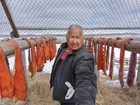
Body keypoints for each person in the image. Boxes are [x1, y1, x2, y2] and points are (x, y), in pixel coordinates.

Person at [50, 24, 97, 105]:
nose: (75, 41)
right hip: (64, 95)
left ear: (82, 39)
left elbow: (85, 79)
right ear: (66, 37)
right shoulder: (63, 48)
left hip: (73, 99)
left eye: (78, 37)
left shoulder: (84, 56)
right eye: (71, 37)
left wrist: (84, 101)